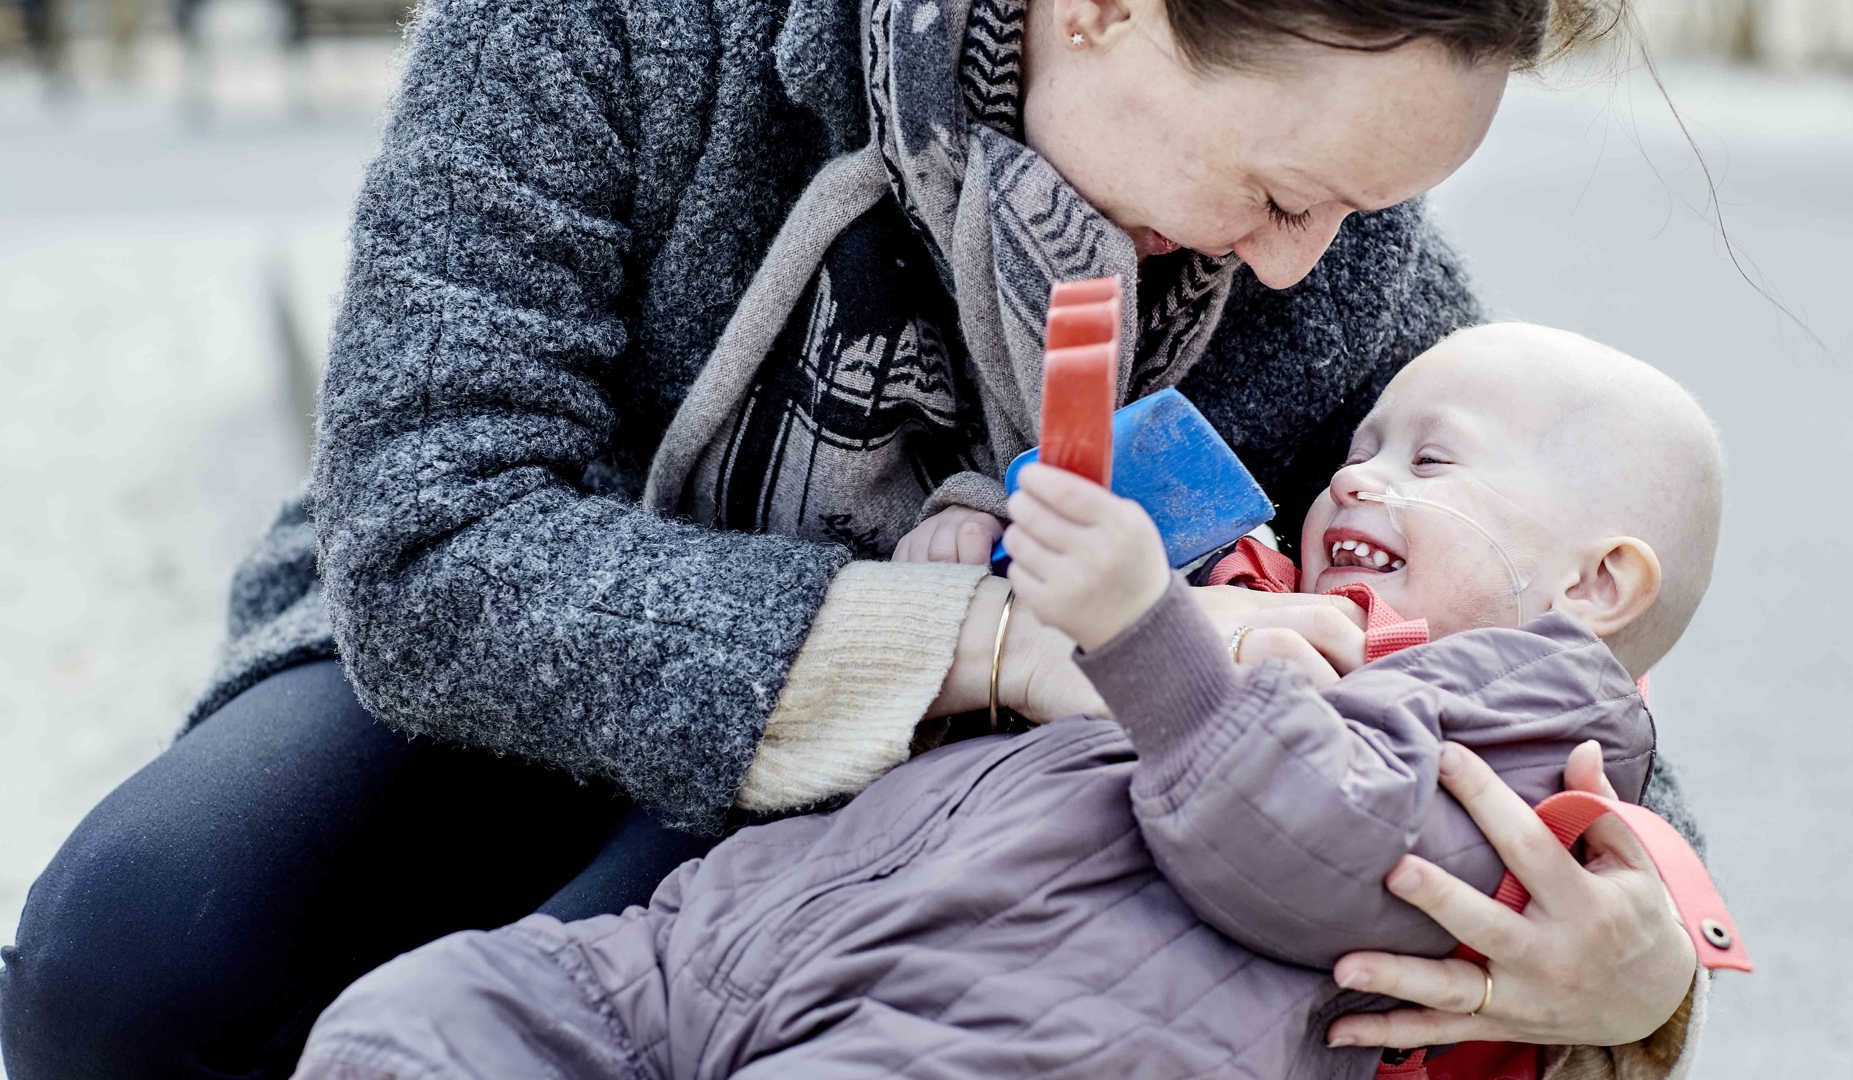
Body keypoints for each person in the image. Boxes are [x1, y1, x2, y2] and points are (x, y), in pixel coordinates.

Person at [0, 1, 1708, 1077]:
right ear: (1106, 13)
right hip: (504, 642)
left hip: (901, 815)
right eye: (1279, 195)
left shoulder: (1333, 262)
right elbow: (435, 543)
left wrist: (1636, 945)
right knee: (130, 958)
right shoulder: (615, 28)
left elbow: (1538, 627)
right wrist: (978, 645)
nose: (1298, 269)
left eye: (1357, 210)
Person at [288, 323, 1722, 1079]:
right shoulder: (1243, 566)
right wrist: (977, 587)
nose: (1355, 475)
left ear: (1597, 584)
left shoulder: (1523, 711)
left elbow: (1331, 847)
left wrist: (1144, 634)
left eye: (1432, 463)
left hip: (1017, 1035)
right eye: (1361, 443)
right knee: (436, 1014)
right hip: (754, 937)